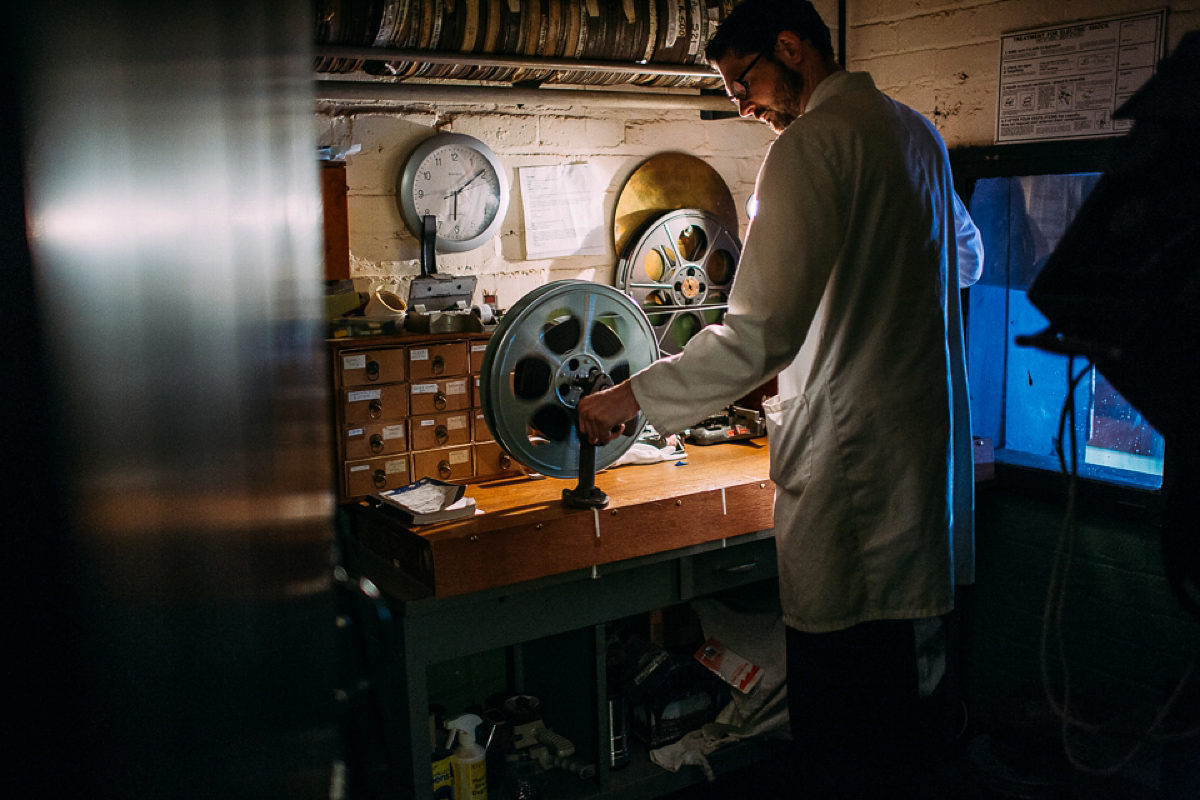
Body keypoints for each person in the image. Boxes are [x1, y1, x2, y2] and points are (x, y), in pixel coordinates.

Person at [578, 1, 982, 795]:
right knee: (907, 706)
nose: (743, 105)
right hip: (916, 464)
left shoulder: (808, 148)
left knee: (840, 717)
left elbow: (758, 336)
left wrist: (632, 397)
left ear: (791, 49)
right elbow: (965, 259)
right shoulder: (915, 134)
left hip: (850, 471)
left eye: (743, 83)